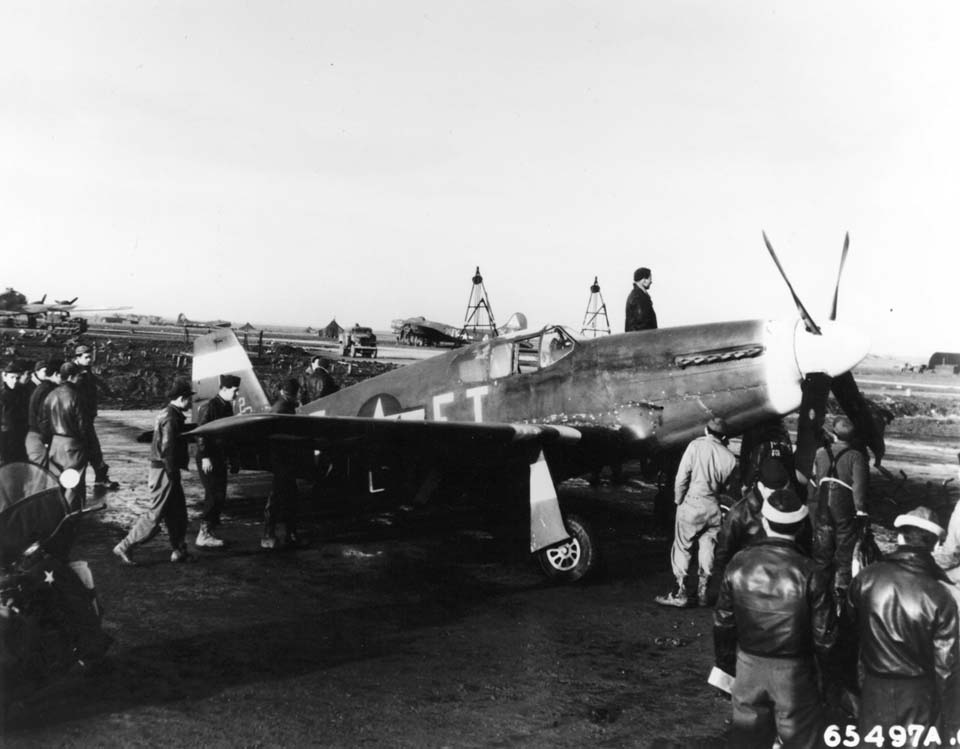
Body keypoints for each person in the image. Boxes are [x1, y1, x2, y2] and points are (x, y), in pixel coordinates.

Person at [714, 488, 837, 749]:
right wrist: (828, 682)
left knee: (746, 741)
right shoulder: (811, 573)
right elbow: (824, 637)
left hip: (748, 666)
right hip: (794, 673)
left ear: (764, 522)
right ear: (802, 525)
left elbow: (723, 622)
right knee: (800, 740)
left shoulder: (738, 563)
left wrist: (726, 667)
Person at [847, 506, 960, 737]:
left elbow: (847, 639)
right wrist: (951, 720)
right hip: (919, 696)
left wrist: (848, 688)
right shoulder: (942, 596)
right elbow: (946, 668)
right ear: (936, 546)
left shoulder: (865, 579)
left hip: (873, 688)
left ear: (899, 537)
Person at [656, 417, 738, 607]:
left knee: (682, 546)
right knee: (708, 547)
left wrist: (678, 500)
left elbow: (682, 476)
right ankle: (703, 592)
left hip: (692, 503)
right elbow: (726, 486)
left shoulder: (694, 446)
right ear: (723, 436)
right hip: (713, 507)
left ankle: (680, 592)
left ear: (706, 431)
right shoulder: (730, 458)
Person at [113, 379, 195, 565]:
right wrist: (172, 471)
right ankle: (125, 545)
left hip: (165, 469)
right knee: (156, 513)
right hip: (165, 470)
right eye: (189, 399)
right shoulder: (171, 418)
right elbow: (168, 448)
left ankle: (179, 549)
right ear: (182, 399)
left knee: (178, 512)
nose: (190, 403)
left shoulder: (168, 414)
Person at [713, 457, 812, 582]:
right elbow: (722, 556)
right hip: (749, 581)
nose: (779, 495)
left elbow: (806, 548)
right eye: (773, 491)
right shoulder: (739, 514)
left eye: (784, 489)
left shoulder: (794, 507)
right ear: (760, 486)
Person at [809, 415, 869, 594]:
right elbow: (859, 487)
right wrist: (860, 511)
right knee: (844, 552)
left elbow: (817, 480)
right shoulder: (856, 457)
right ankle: (840, 592)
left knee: (821, 553)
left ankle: (818, 591)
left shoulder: (820, 453)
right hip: (844, 509)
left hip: (822, 508)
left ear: (834, 433)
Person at [195, 373, 241, 548]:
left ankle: (209, 530)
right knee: (214, 494)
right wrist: (205, 456)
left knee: (219, 495)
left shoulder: (226, 407)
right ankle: (203, 534)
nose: (236, 395)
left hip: (218, 457)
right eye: (235, 391)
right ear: (224, 389)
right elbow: (201, 433)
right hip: (208, 457)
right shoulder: (209, 407)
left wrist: (233, 458)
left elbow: (228, 435)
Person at [73, 344, 118, 490]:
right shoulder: (74, 373)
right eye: (86, 357)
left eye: (90, 357)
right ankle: (97, 478)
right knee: (91, 448)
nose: (89, 360)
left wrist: (109, 392)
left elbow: (95, 382)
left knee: (92, 449)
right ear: (77, 358)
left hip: (87, 416)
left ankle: (99, 477)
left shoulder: (86, 370)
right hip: (80, 418)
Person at [262, 378, 301, 550]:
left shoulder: (285, 407)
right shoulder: (281, 410)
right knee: (278, 497)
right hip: (282, 461)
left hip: (286, 461)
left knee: (289, 497)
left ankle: (290, 533)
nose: (300, 395)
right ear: (291, 393)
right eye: (298, 392)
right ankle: (269, 535)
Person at [44, 362, 88, 510]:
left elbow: (44, 421)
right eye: (78, 376)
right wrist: (87, 444)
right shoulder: (77, 396)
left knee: (58, 480)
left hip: (55, 443)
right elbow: (83, 425)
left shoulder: (51, 394)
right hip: (73, 444)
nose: (80, 379)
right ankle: (70, 516)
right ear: (71, 377)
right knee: (73, 483)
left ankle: (56, 512)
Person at [737, 418, 795, 494]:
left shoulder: (762, 445)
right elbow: (789, 460)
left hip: (767, 482)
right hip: (782, 481)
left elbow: (755, 466)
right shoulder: (783, 440)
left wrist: (746, 484)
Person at [25, 357, 63, 464]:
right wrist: (47, 439)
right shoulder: (48, 390)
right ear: (56, 374)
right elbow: (44, 417)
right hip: (39, 436)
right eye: (62, 376)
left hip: (37, 433)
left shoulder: (43, 387)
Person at [624, 267, 657, 332]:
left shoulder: (637, 295)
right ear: (644, 280)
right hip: (642, 339)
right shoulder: (639, 297)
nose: (651, 282)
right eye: (650, 279)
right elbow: (642, 324)